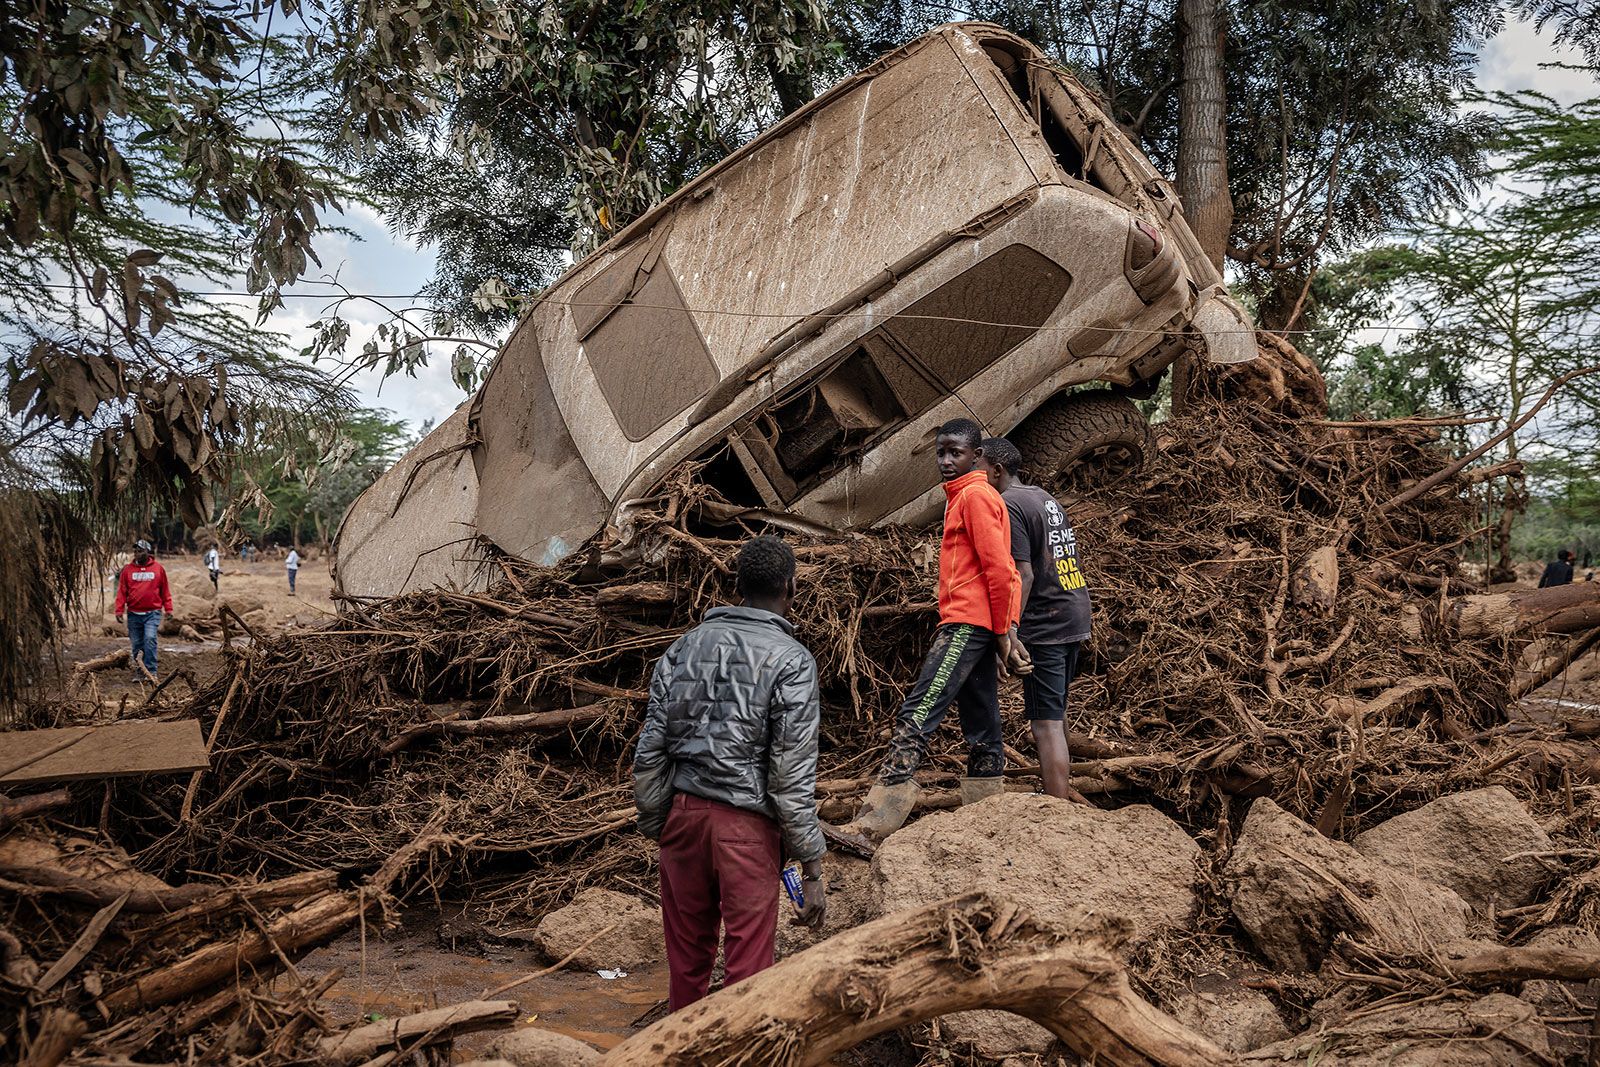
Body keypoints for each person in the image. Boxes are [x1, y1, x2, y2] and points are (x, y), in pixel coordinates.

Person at [633, 535, 827, 1011]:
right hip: (747, 830)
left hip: (682, 818)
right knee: (748, 970)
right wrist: (812, 863)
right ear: (790, 586)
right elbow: (790, 771)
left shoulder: (682, 649)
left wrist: (660, 823)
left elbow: (651, 748)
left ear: (737, 583)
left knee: (686, 963)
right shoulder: (791, 660)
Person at [844, 418, 1025, 844]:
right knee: (981, 717)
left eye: (955, 453)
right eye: (941, 452)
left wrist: (1003, 631)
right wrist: (1004, 628)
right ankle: (986, 811)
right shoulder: (966, 495)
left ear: (976, 456)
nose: (945, 461)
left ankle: (876, 822)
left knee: (920, 710)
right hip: (976, 622)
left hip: (968, 623)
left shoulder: (975, 497)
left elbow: (1001, 569)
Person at [980, 437, 1091, 801]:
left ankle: (1056, 813)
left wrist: (1009, 631)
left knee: (1045, 723)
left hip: (1047, 622)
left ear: (996, 470)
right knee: (1056, 714)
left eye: (978, 468)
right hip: (1073, 611)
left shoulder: (1008, 503)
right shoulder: (1041, 496)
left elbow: (1023, 574)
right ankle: (1061, 794)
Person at [114, 539, 172, 682]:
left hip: (152, 613)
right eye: (135, 551)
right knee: (137, 644)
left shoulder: (158, 569)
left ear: (148, 552)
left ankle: (151, 672)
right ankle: (140, 672)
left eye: (140, 551)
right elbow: (122, 592)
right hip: (133, 614)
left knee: (150, 639)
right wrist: (119, 610)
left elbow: (165, 590)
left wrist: (169, 609)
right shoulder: (127, 570)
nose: (137, 554)